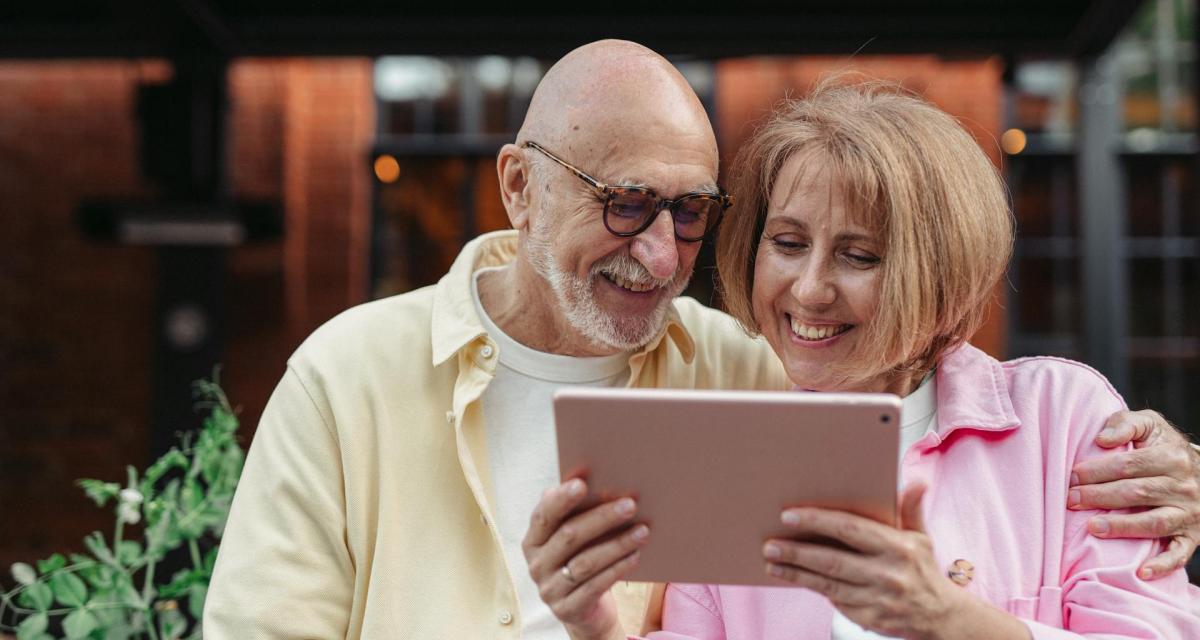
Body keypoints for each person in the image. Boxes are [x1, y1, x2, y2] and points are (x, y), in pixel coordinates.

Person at [203, 41, 1200, 639]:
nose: (660, 252)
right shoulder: (350, 375)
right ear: (519, 187)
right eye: (627, 204)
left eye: (689, 213)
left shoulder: (747, 390)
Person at [528, 78, 1200, 639]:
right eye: (788, 243)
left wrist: (952, 622)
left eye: (859, 256)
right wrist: (596, 628)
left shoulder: (1064, 421)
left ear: (945, 274)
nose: (811, 289)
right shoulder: (734, 458)